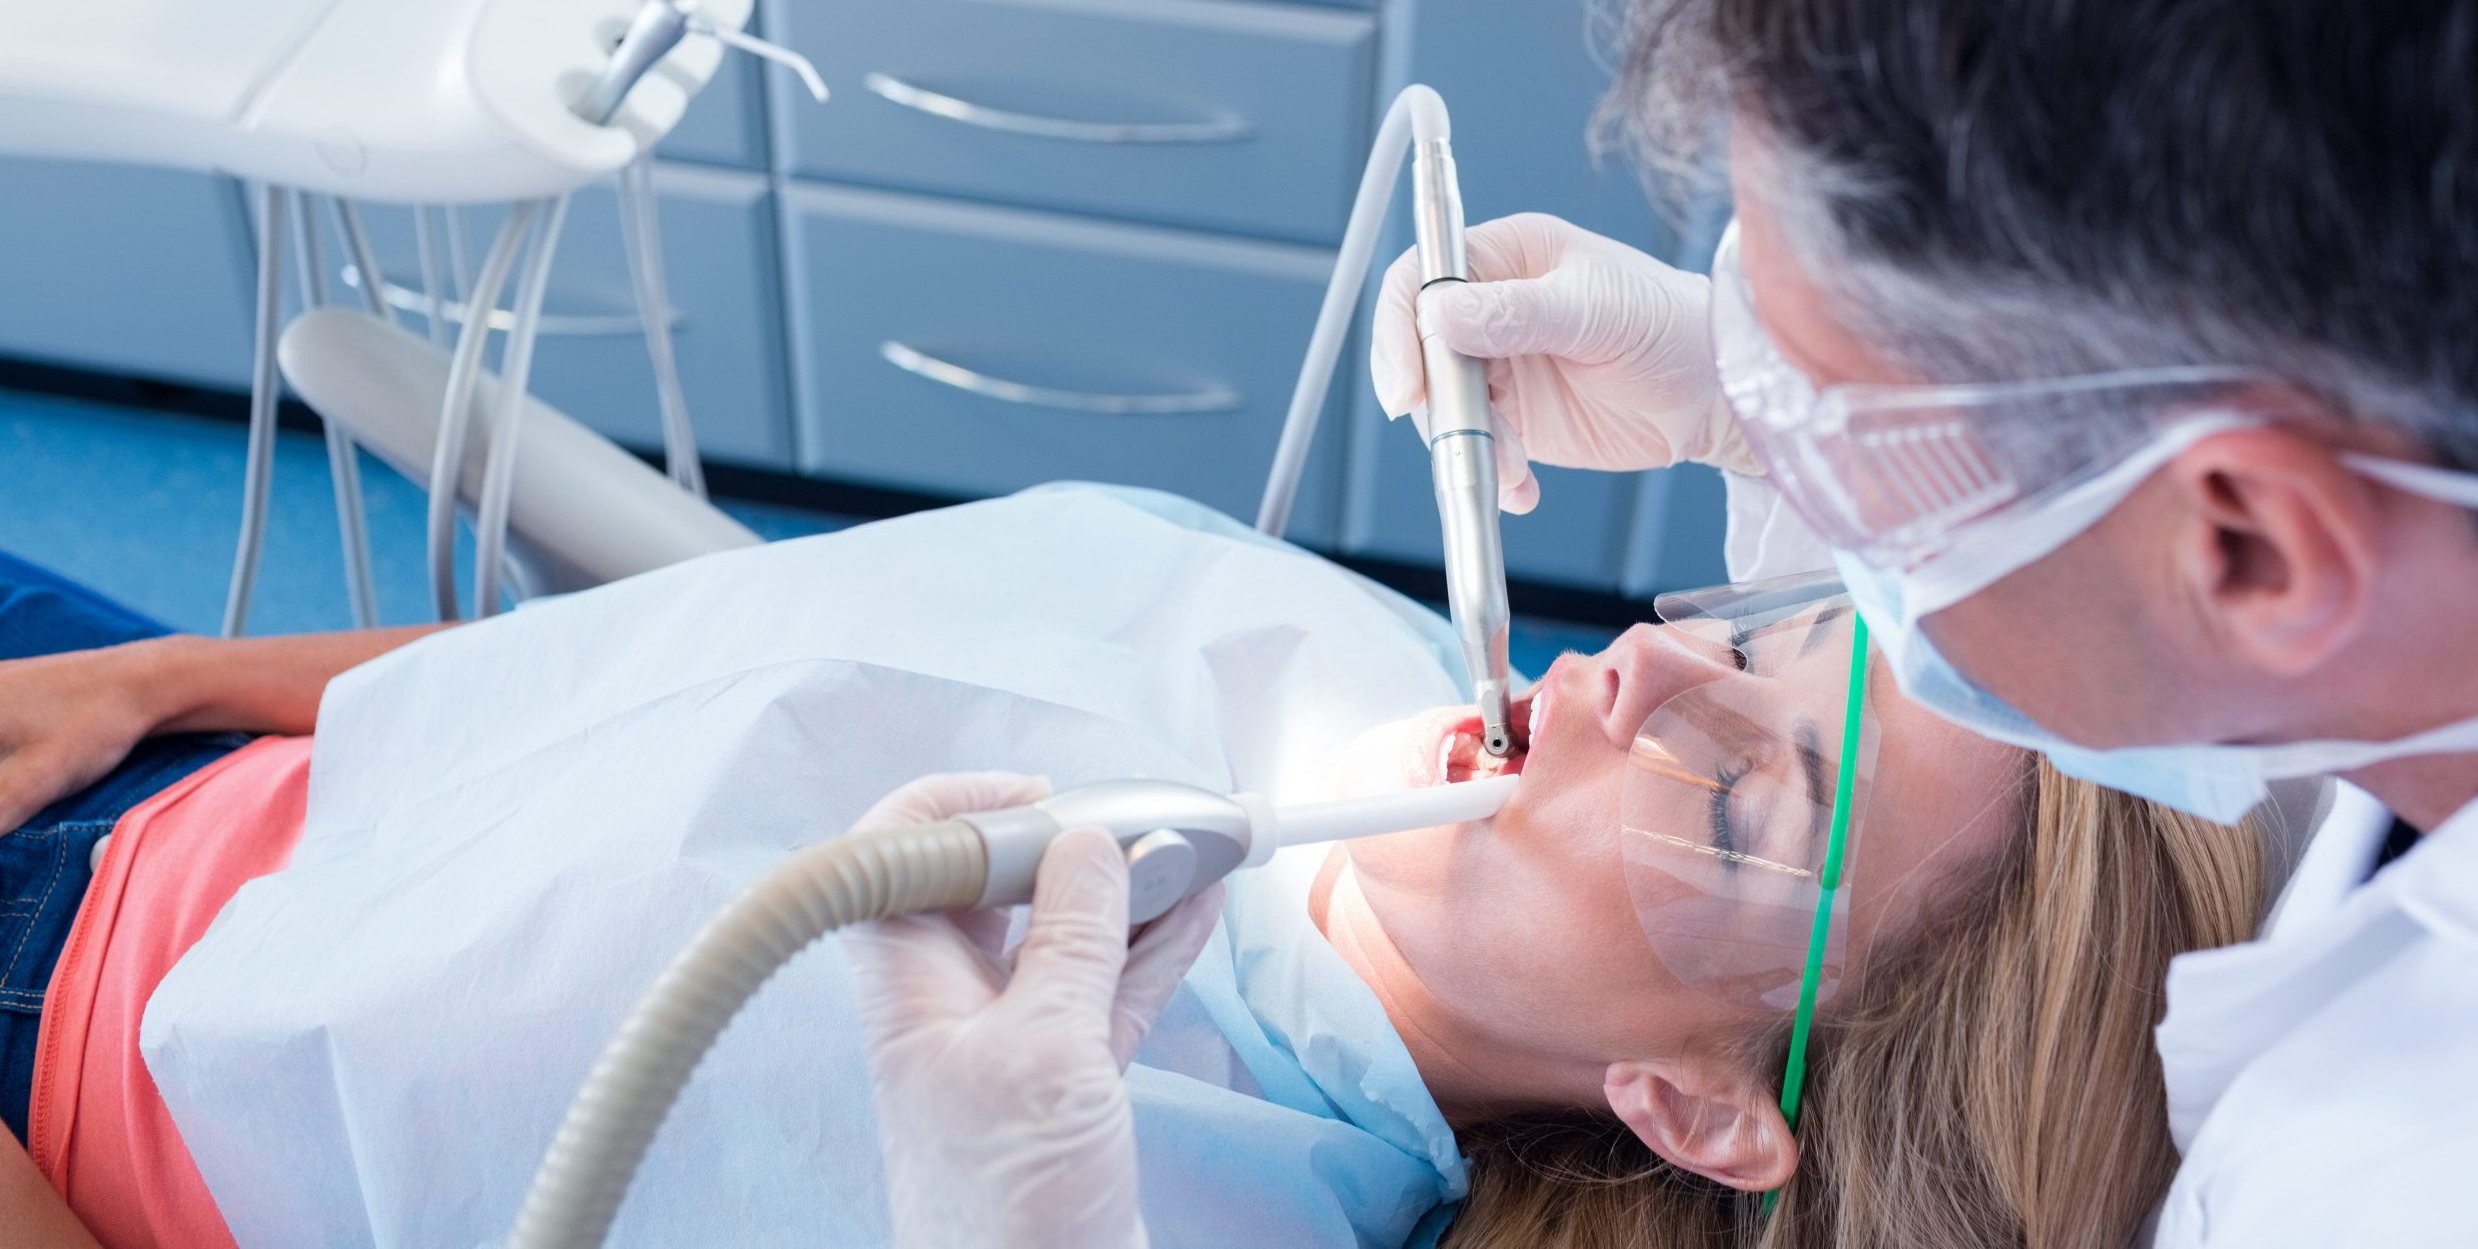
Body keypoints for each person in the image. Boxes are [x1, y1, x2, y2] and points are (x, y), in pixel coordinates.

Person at [0, 487, 2265, 1248]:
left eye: (1739, 795)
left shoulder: (1106, 1205)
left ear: (1701, 1103)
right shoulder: (1331, 641)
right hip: (176, 743)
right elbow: (677, 651)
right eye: (1752, 634)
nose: (1631, 672)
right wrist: (169, 679)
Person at [1366, 0, 2478, 1243]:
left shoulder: (2437, 1186)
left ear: (2248, 548)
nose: (1631, 660)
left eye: (1833, 424)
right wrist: (1746, 404)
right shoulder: (2432, 587)